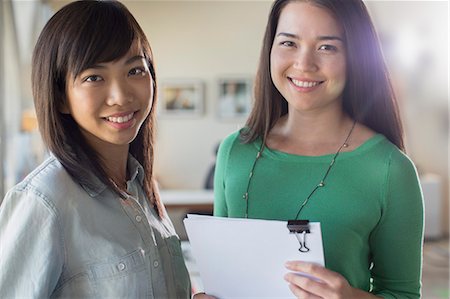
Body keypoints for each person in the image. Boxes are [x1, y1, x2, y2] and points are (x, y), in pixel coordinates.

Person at [0, 1, 211, 298]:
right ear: (60, 97)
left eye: (135, 70)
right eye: (94, 77)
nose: (121, 95)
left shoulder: (141, 187)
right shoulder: (44, 202)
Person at [213, 0, 424, 298]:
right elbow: (223, 274)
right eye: (289, 42)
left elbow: (403, 293)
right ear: (270, 49)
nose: (304, 64)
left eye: (327, 47)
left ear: (356, 57)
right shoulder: (235, 151)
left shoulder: (390, 169)